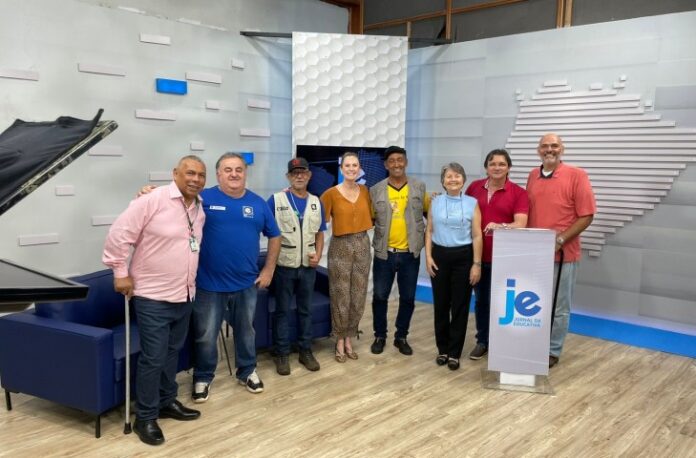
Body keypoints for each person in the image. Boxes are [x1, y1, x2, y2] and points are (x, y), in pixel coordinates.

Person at [103, 155, 206, 446]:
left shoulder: (199, 207)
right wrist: (120, 272)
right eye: (189, 173)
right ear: (175, 173)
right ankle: (145, 417)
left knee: (172, 353)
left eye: (201, 175)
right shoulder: (152, 199)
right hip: (152, 296)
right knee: (154, 357)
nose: (195, 179)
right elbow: (119, 235)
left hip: (184, 293)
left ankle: (166, 401)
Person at [192, 152, 281, 398]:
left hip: (246, 284)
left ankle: (247, 371)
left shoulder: (258, 203)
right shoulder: (202, 198)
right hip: (208, 284)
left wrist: (269, 269)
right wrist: (148, 192)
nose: (234, 174)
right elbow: (172, 201)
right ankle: (203, 377)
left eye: (238, 169)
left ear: (245, 173)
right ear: (218, 174)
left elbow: (275, 235)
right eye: (228, 169)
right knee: (206, 335)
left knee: (246, 331)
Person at [526, 133, 595, 368]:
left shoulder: (577, 175)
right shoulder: (532, 175)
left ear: (562, 149)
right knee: (536, 303)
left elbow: (587, 215)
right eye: (545, 146)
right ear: (538, 150)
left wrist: (562, 239)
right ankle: (533, 344)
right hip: (535, 254)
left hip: (563, 255)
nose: (549, 150)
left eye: (554, 145)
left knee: (559, 306)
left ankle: (552, 350)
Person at [464, 149, 529, 360]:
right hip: (477, 257)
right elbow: (462, 212)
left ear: (509, 167)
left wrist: (500, 226)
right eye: (492, 164)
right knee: (481, 302)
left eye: (502, 164)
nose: (497, 167)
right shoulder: (474, 187)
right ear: (486, 167)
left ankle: (502, 342)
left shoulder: (519, 193)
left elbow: (521, 223)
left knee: (503, 303)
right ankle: (483, 341)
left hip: (504, 259)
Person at [267, 157, 326, 375]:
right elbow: (267, 231)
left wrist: (318, 254)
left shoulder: (316, 202)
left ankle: (305, 350)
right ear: (288, 177)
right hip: (284, 266)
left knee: (305, 310)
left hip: (308, 267)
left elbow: (320, 233)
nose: (299, 176)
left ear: (309, 175)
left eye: (303, 172)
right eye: (294, 173)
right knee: (282, 311)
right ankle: (282, 353)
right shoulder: (276, 200)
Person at [369, 146, 429, 356]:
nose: (396, 164)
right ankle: (380, 335)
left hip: (410, 254)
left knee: (408, 298)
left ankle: (401, 336)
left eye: (400, 160)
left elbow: (429, 214)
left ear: (406, 162)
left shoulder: (419, 187)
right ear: (386, 165)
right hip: (384, 254)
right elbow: (372, 218)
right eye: (392, 161)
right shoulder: (376, 190)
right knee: (380, 296)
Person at [425, 162, 483, 371]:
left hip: (463, 258)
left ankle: (454, 353)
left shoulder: (472, 203)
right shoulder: (435, 202)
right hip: (439, 256)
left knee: (460, 305)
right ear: (443, 181)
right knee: (441, 305)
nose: (453, 179)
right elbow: (430, 231)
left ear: (463, 179)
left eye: (457, 176)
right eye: (449, 176)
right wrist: (428, 257)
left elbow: (477, 235)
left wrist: (476, 264)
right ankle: (442, 349)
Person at [320, 152, 373, 362]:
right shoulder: (330, 194)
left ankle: (350, 336)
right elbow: (317, 222)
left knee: (358, 295)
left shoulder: (365, 191)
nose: (351, 169)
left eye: (355, 165)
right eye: (347, 166)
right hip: (340, 246)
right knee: (341, 294)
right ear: (341, 169)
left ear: (359, 168)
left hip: (362, 245)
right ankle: (339, 339)